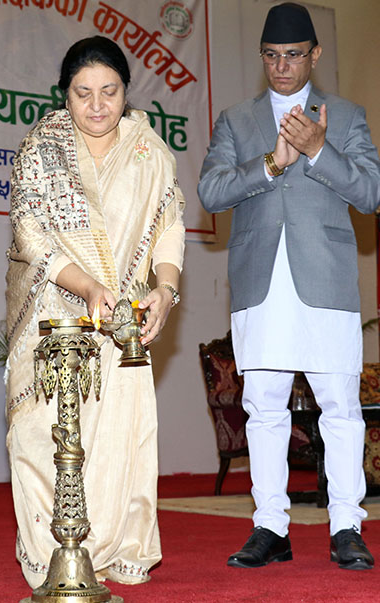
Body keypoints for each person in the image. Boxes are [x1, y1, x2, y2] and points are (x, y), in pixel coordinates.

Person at [198, 2, 380, 571]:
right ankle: (270, 526)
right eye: (272, 57)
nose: (282, 67)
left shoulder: (346, 117)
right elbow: (211, 192)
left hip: (324, 278)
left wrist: (319, 151)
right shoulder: (235, 120)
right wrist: (272, 163)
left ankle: (347, 525)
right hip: (260, 281)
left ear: (314, 55)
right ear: (262, 58)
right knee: (265, 409)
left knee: (340, 409)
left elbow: (371, 194)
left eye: (294, 56)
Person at [5, 36, 185, 587]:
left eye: (109, 91)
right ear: (65, 96)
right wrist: (85, 287)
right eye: (83, 93)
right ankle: (50, 556)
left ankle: (109, 552)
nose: (98, 105)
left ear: (127, 92)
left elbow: (170, 225)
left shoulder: (150, 151)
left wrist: (166, 290)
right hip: (54, 313)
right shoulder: (42, 147)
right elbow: (29, 232)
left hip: (123, 321)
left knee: (117, 440)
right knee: (40, 436)